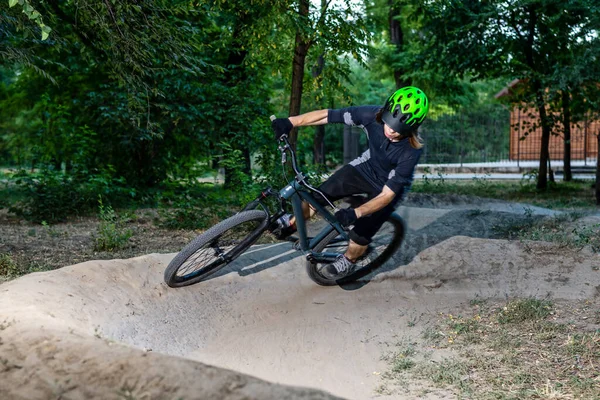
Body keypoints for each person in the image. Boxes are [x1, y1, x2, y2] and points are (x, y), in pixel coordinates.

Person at [271, 86, 429, 280]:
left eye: (399, 130)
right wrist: (290, 122)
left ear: (411, 129)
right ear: (386, 112)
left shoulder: (411, 151)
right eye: (389, 124)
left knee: (360, 234)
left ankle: (350, 260)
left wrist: (356, 213)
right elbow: (329, 116)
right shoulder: (371, 114)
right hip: (364, 169)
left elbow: (387, 195)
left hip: (387, 188)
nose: (391, 131)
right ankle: (292, 223)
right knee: (318, 196)